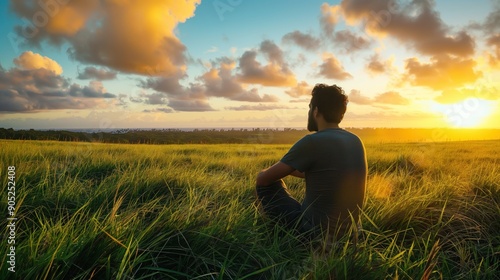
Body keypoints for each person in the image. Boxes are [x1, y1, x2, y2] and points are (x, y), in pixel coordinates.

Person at [255, 84, 367, 242]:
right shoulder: (355, 140)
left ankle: (273, 235)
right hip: (352, 235)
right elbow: (327, 174)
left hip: (315, 235)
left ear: (316, 111)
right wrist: (291, 167)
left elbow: (264, 179)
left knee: (265, 181)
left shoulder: (312, 142)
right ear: (340, 114)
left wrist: (270, 170)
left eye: (309, 108)